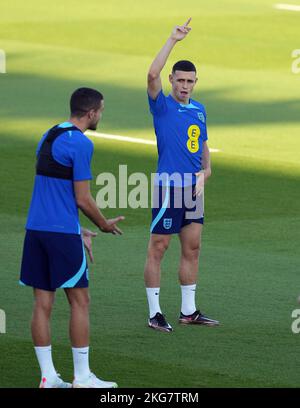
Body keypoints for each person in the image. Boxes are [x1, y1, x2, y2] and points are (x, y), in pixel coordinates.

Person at [20, 87, 124, 387]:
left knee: (42, 304)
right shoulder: (80, 144)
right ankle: (82, 377)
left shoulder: (48, 135)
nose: (101, 115)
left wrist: (77, 227)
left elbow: (51, 189)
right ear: (91, 113)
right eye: (101, 111)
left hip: (36, 231)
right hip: (61, 236)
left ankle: (48, 377)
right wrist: (103, 224)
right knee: (80, 301)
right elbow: (82, 198)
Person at [144, 18, 219, 332]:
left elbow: (202, 142)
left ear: (195, 82)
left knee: (192, 247)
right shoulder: (161, 106)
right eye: (180, 80)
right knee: (159, 247)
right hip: (168, 187)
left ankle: (188, 311)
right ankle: (154, 313)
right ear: (171, 80)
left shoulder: (199, 109)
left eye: (190, 81)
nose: (184, 86)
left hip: (193, 189)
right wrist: (172, 40)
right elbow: (151, 74)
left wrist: (207, 167)